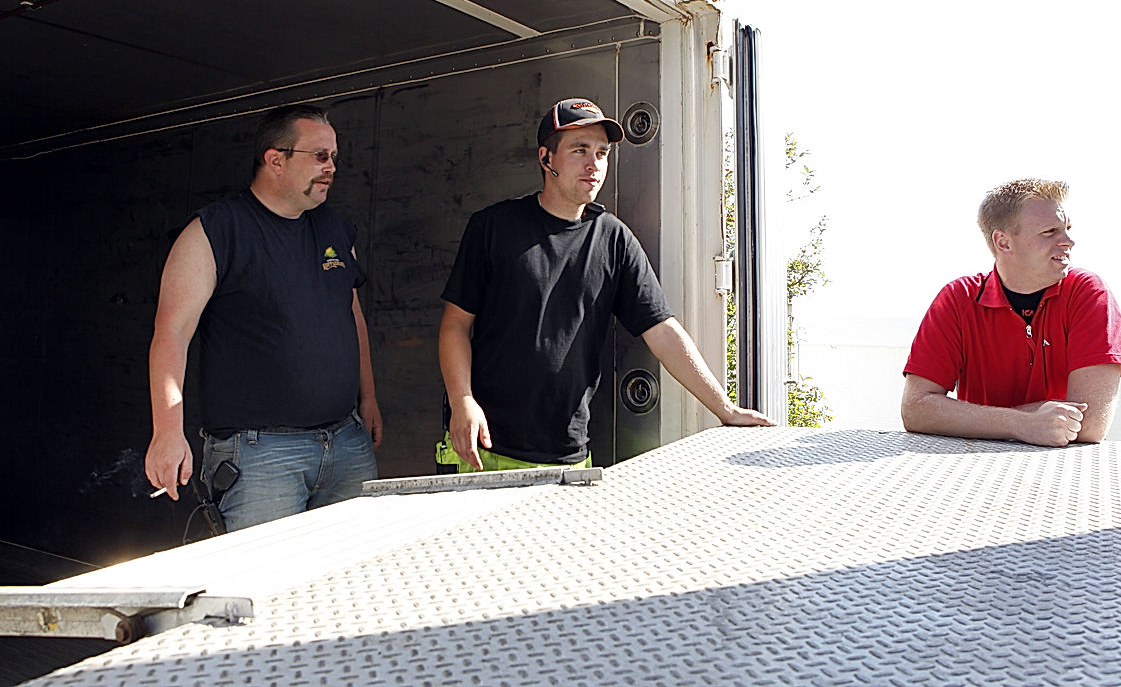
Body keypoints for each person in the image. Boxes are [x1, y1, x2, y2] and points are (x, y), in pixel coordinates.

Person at [438, 97, 773, 472]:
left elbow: (661, 331)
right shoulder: (493, 227)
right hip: (483, 452)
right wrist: (462, 401)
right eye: (579, 150)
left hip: (570, 459)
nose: (593, 164)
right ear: (546, 158)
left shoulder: (613, 239)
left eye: (601, 153)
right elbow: (455, 325)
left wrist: (725, 409)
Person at [144, 104, 383, 531]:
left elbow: (351, 315)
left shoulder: (336, 230)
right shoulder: (215, 230)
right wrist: (167, 431)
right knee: (256, 588)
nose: (331, 167)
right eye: (319, 156)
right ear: (275, 159)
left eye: (334, 157)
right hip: (259, 455)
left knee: (346, 580)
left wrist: (368, 399)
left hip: (346, 442)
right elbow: (172, 332)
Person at [901, 178, 1121, 447]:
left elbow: (1091, 423)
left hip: (1067, 470)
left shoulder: (1089, 292)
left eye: (1067, 228)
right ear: (1003, 243)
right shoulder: (957, 298)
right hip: (969, 465)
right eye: (1050, 231)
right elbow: (916, 408)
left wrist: (967, 417)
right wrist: (1021, 422)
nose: (1069, 241)